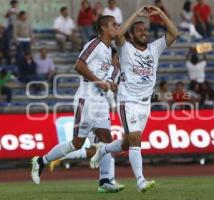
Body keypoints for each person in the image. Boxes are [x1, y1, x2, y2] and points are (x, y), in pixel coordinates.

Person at [89, 5, 178, 192]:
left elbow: (174, 33)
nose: (144, 33)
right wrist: (136, 14)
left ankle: (103, 150)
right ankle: (140, 181)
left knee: (126, 142)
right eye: (139, 31)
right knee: (136, 139)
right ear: (132, 34)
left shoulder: (155, 48)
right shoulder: (125, 48)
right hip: (128, 101)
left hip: (145, 105)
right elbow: (119, 34)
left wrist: (160, 13)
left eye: (145, 30)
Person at [31, 15, 124, 193]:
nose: (117, 27)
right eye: (114, 25)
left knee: (106, 138)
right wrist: (99, 81)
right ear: (104, 28)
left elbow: (105, 78)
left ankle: (105, 180)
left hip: (100, 102)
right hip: (86, 99)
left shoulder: (107, 50)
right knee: (77, 144)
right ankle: (41, 161)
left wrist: (109, 84)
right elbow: (79, 65)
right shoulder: (94, 45)